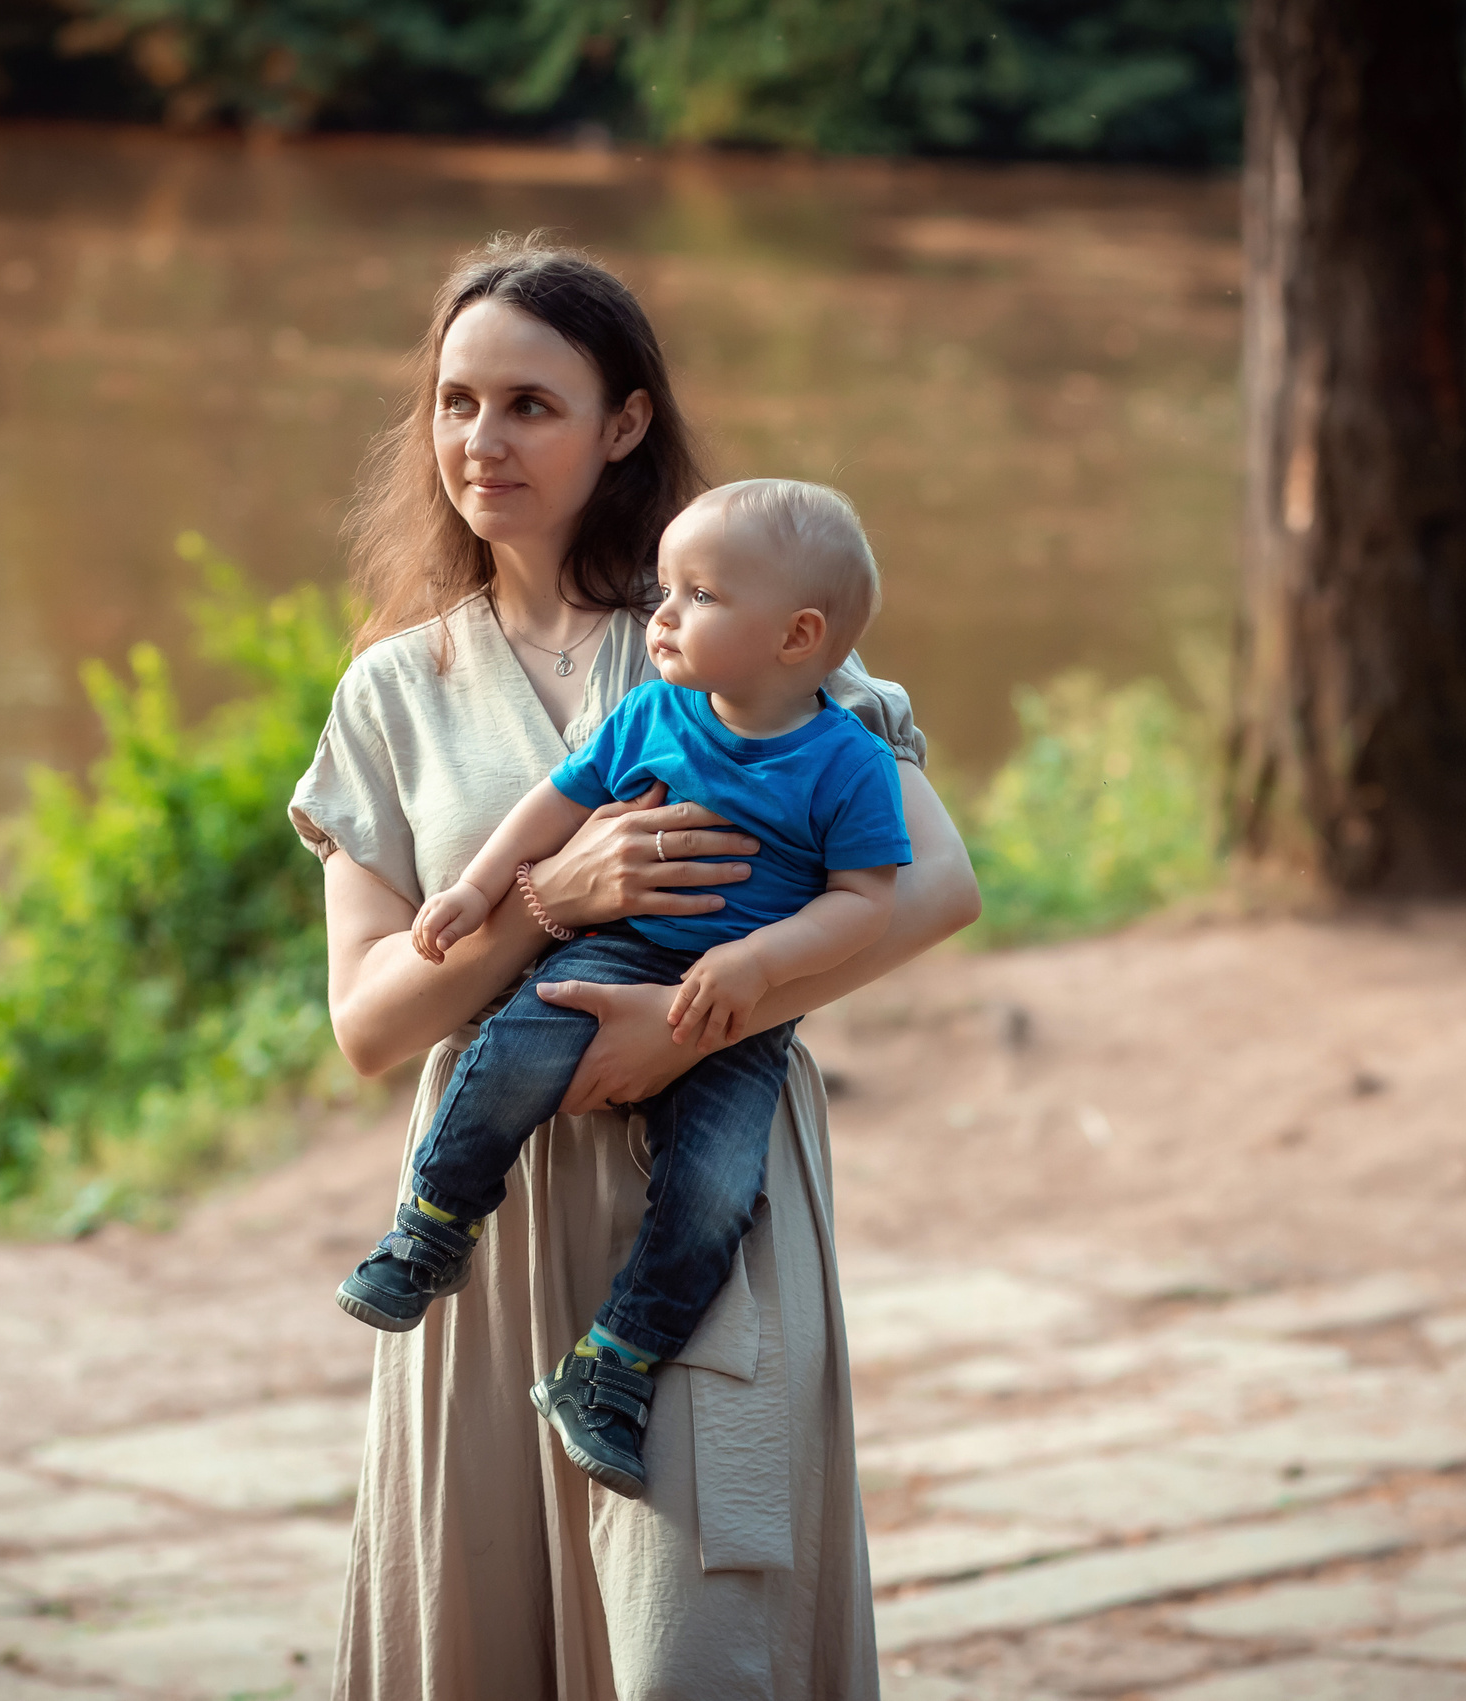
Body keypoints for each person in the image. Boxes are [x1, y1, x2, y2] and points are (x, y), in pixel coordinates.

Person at [288, 235, 980, 1701]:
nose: (485, 440)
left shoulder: (736, 624)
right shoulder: (394, 694)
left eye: (532, 404)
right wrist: (550, 896)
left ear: (624, 423)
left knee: (695, 1651)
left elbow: (934, 886)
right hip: (483, 1221)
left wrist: (684, 1024)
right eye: (457, 401)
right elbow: (367, 1026)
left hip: (705, 1195)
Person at [336, 479, 909, 1503]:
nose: (665, 616)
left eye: (698, 596)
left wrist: (761, 967)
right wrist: (475, 889)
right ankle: (431, 1225)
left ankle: (613, 1365)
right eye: (665, 590)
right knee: (510, 1051)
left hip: (740, 1012)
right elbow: (553, 804)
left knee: (717, 1188)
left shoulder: (849, 760)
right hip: (617, 954)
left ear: (796, 636)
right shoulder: (652, 714)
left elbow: (869, 903)